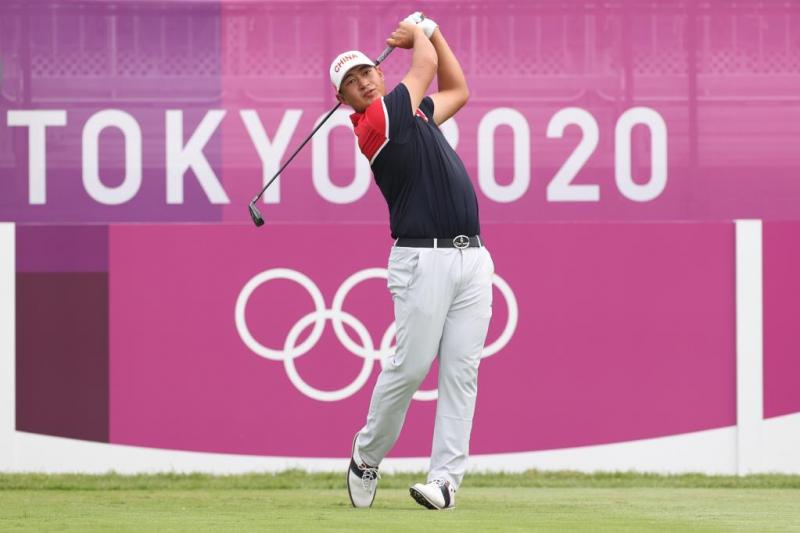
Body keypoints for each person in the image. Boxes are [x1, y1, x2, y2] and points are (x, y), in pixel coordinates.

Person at [329, 12, 494, 511]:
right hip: (422, 260)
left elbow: (458, 90)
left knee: (461, 372)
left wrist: (434, 33)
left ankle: (444, 481)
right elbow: (424, 66)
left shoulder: (415, 113)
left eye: (367, 72)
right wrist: (420, 34)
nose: (363, 81)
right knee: (412, 366)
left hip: (472, 257)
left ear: (380, 73)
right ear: (343, 100)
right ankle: (366, 455)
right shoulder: (376, 122)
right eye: (351, 82)